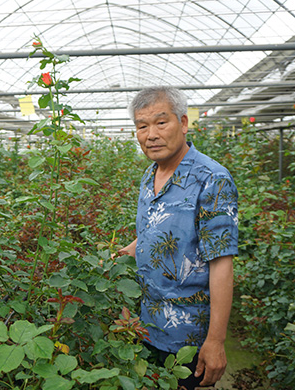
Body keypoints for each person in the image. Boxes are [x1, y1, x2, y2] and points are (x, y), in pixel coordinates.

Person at [119, 86, 238, 389]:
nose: (151, 134)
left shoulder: (211, 179)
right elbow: (150, 235)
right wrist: (116, 260)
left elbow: (221, 263)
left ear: (183, 123)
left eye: (161, 123)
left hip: (187, 338)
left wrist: (216, 340)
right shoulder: (150, 177)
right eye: (142, 126)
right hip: (146, 327)